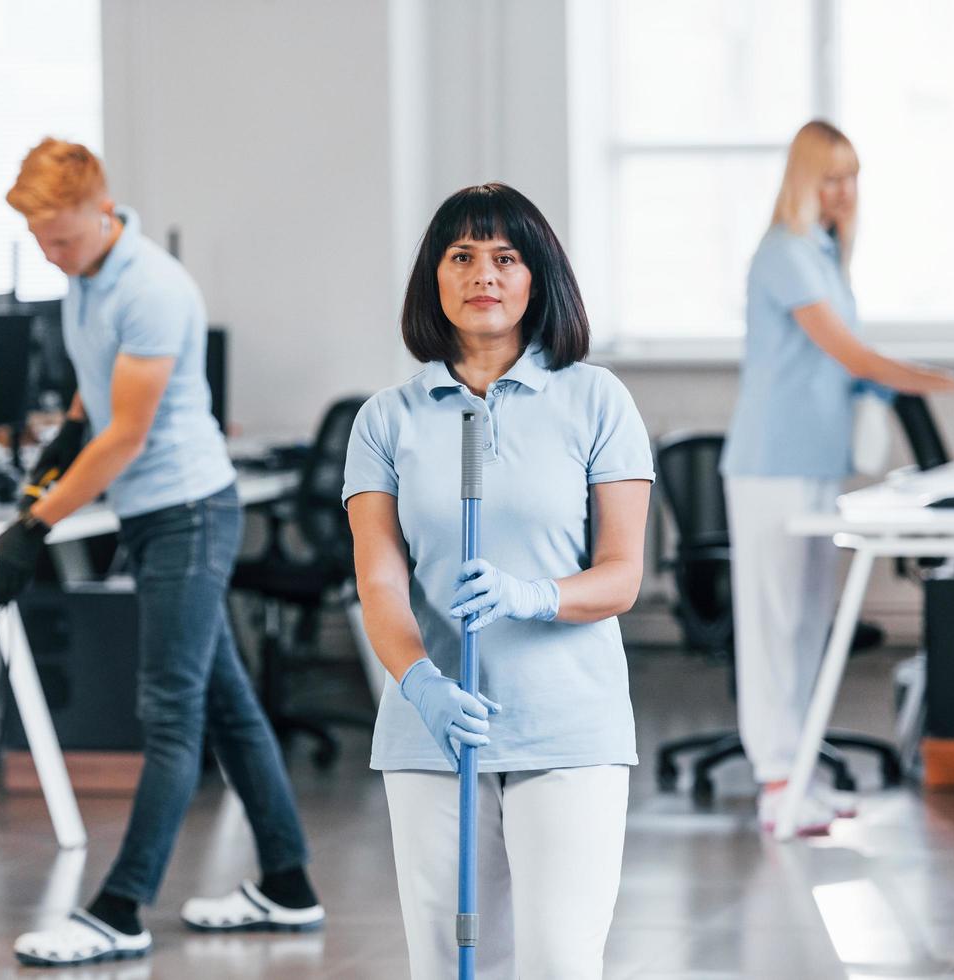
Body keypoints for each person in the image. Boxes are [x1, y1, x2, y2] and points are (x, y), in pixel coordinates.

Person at [0, 138, 323, 967]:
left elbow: (130, 434)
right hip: (152, 514)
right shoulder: (86, 275)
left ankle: (121, 907)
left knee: (170, 712)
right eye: (40, 241)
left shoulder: (153, 287)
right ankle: (288, 884)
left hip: (186, 511)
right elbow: (95, 385)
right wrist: (65, 433)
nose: (52, 255)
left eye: (61, 239)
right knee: (230, 708)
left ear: (103, 210)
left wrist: (37, 523)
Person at [344, 182, 653, 979]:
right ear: (434, 279)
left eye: (505, 257)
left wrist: (536, 595)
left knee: (557, 963)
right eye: (463, 256)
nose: (484, 272)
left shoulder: (596, 400)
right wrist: (422, 686)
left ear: (536, 277)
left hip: (568, 727)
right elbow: (380, 587)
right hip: (433, 731)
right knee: (449, 963)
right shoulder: (387, 420)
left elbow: (621, 576)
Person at [720, 120, 954, 836]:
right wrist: (944, 381)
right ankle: (774, 781)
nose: (844, 191)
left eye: (851, 176)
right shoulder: (785, 253)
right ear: (801, 180)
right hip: (770, 464)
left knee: (808, 629)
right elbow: (849, 353)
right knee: (774, 627)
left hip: (818, 462)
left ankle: (800, 767)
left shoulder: (824, 253)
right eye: (830, 177)